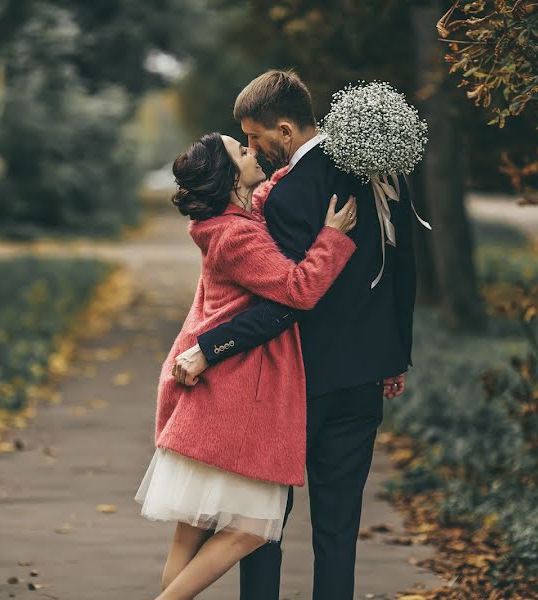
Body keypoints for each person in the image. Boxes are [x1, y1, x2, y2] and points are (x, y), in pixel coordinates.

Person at [171, 70, 418, 600]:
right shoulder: (379, 168)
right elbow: (405, 269)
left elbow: (284, 302)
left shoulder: (288, 195)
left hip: (298, 383)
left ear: (285, 131)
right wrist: (396, 354)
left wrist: (211, 348)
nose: (254, 150)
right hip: (365, 376)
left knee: (262, 523)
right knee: (338, 527)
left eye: (255, 138)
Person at [135, 131, 359, 600]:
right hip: (234, 391)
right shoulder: (235, 235)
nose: (252, 151)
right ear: (229, 175)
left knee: (189, 537)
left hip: (213, 389)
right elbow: (297, 288)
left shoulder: (230, 217)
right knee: (255, 527)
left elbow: (262, 198)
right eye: (242, 150)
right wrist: (332, 239)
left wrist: (281, 177)